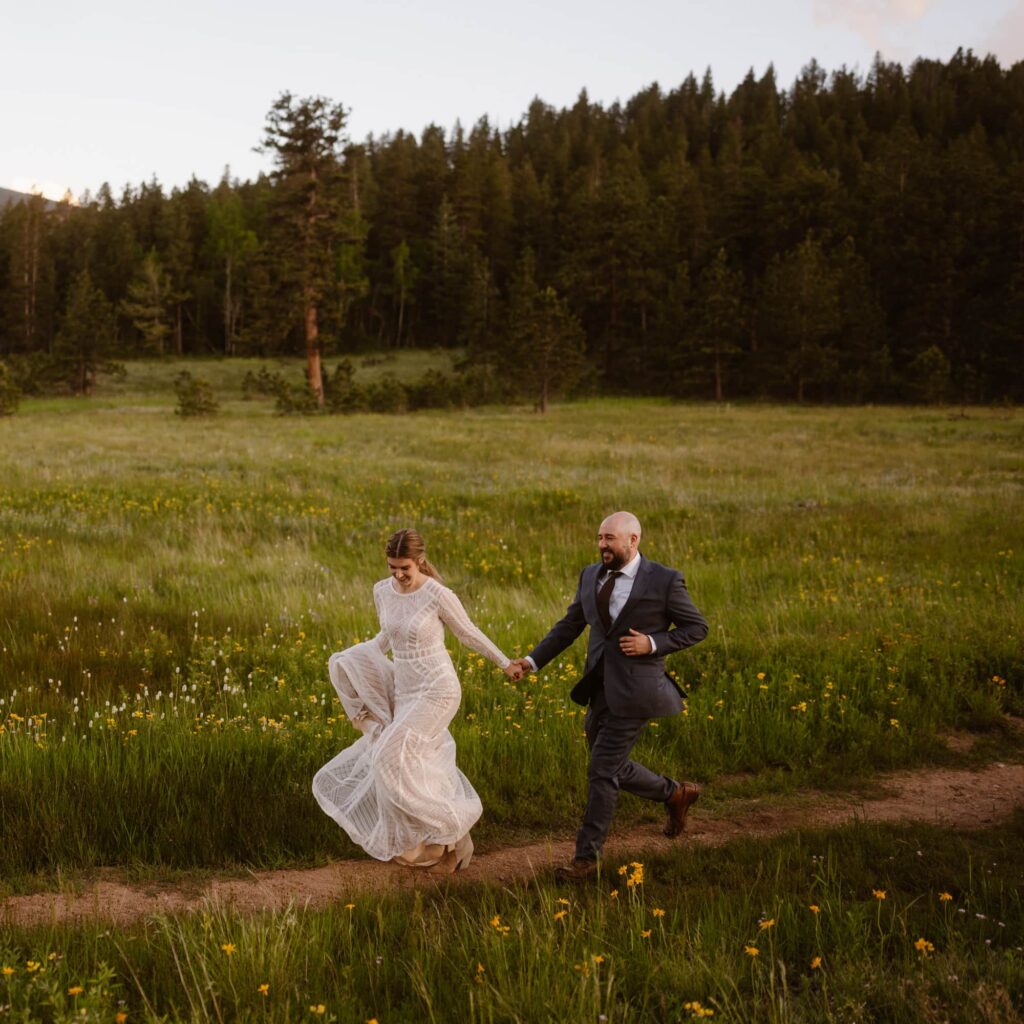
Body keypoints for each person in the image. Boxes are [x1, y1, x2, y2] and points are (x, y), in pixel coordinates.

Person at [511, 511, 708, 883]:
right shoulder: (591, 575)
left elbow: (697, 628)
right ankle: (675, 794)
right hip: (598, 688)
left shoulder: (665, 580)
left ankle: (586, 860)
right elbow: (570, 625)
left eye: (610, 539)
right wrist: (533, 661)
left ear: (633, 541)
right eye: (600, 537)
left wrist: (651, 642)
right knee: (612, 766)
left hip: (638, 691)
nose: (602, 545)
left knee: (602, 770)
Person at [313, 528, 522, 874]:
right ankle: (449, 839)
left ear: (419, 562)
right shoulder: (382, 591)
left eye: (405, 568)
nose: (398, 575)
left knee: (386, 758)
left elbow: (467, 632)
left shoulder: (436, 594)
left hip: (438, 689)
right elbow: (387, 638)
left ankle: (452, 826)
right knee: (413, 766)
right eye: (392, 567)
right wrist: (348, 662)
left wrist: (505, 663)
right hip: (405, 691)